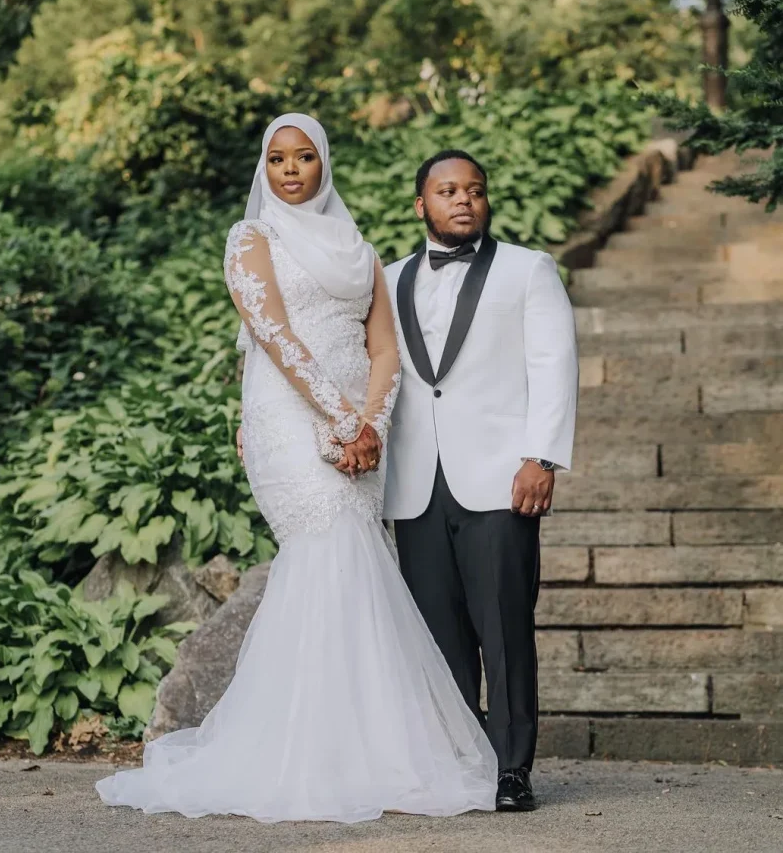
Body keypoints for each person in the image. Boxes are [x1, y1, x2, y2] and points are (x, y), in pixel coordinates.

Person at [96, 116, 497, 823]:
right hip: (287, 421)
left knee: (357, 567)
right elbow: (274, 336)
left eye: (304, 157)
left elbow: (384, 349)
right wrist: (340, 420)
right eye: (277, 158)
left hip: (362, 434)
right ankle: (299, 755)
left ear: (323, 163)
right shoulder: (251, 240)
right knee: (328, 552)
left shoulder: (358, 247)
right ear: (265, 167)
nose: (289, 169)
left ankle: (364, 750)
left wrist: (370, 424)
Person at [382, 149, 578, 813]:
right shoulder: (386, 281)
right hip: (414, 483)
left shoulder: (528, 271)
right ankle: (462, 763)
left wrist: (541, 457)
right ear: (421, 206)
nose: (463, 200)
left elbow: (553, 364)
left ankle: (511, 770)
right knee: (439, 636)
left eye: (474, 190)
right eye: (446, 191)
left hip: (501, 477)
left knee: (503, 628)